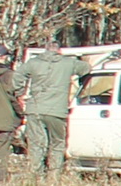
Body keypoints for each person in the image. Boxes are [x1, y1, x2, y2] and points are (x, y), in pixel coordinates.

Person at [17, 44, 77, 177]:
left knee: (36, 144)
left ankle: (35, 175)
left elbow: (18, 76)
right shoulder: (68, 62)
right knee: (57, 143)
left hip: (35, 109)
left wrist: (19, 93)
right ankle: (54, 175)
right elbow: (86, 68)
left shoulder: (33, 62)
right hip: (57, 110)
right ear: (59, 51)